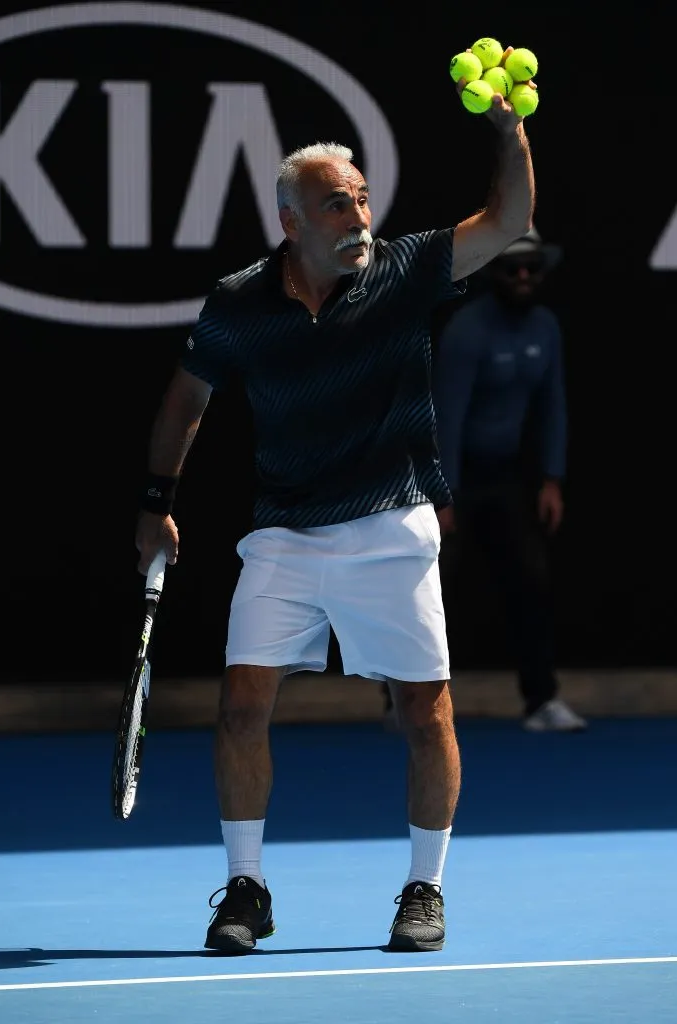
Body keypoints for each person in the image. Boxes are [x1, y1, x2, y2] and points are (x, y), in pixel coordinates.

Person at [135, 60, 536, 955]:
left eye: (360, 200)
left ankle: (423, 891)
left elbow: (508, 222)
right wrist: (156, 501)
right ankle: (246, 888)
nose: (357, 217)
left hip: (393, 524)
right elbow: (182, 405)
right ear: (290, 222)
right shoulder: (238, 305)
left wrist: (507, 134)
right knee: (241, 705)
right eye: (335, 206)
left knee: (425, 713)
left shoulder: (405, 271)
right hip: (283, 533)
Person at [429, 228, 587, 732]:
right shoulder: (467, 331)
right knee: (432, 594)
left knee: (531, 585)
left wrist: (552, 479)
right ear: (493, 272)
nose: (523, 277)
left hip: (509, 478)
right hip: (455, 480)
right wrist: (442, 493)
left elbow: (554, 406)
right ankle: (407, 703)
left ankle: (541, 701)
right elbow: (446, 417)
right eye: (512, 267)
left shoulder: (545, 327)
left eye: (531, 268)